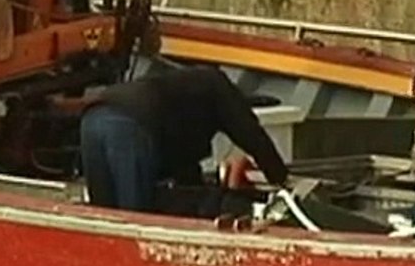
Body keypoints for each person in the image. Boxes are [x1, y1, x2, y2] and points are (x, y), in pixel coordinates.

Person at [74, 64, 291, 213]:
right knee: (136, 220)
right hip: (128, 128)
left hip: (92, 120)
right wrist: (280, 179)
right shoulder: (219, 89)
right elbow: (253, 137)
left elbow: (185, 170)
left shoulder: (184, 96)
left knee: (104, 217)